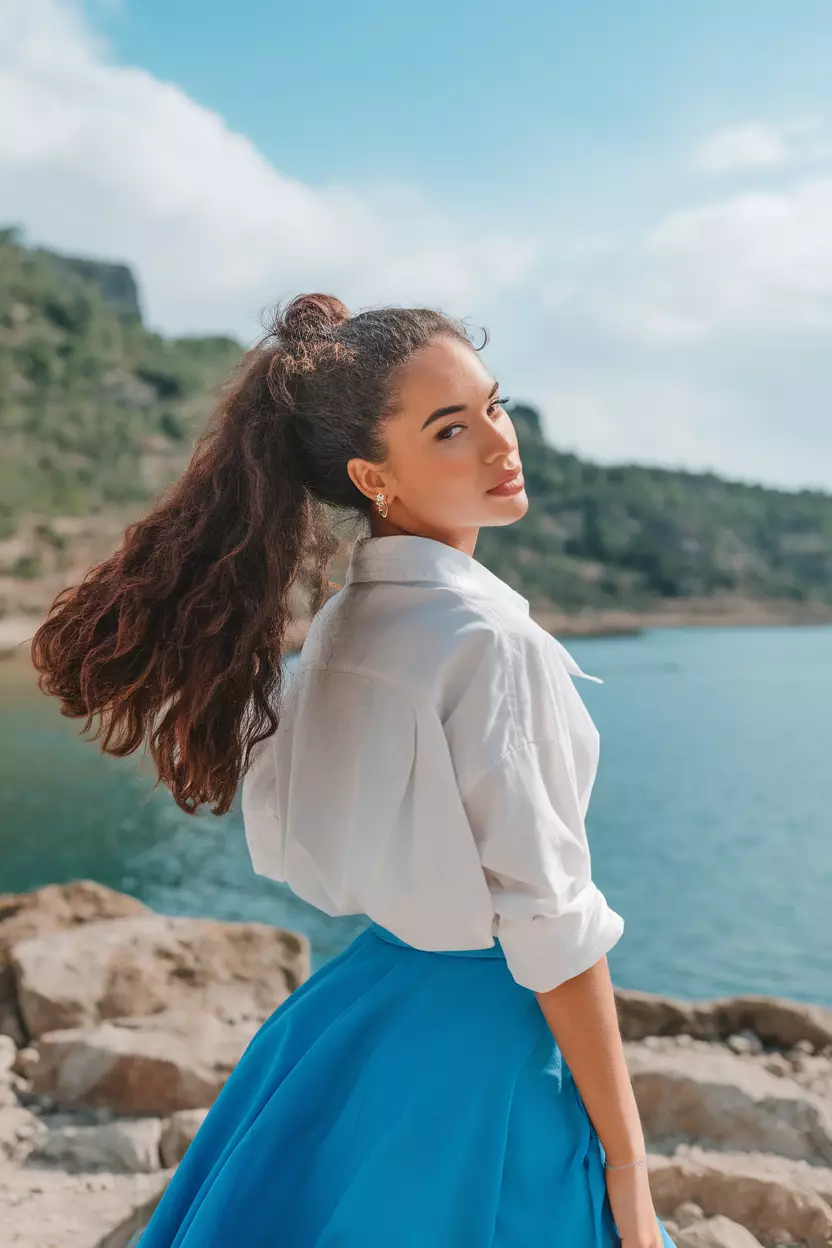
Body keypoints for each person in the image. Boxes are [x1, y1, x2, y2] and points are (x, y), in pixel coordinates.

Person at [30, 293, 676, 1247]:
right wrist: (629, 1165)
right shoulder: (492, 643)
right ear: (374, 474)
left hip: (359, 1010)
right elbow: (553, 928)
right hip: (486, 1044)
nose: (501, 444)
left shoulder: (341, 628)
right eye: (451, 428)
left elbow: (313, 857)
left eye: (494, 407)